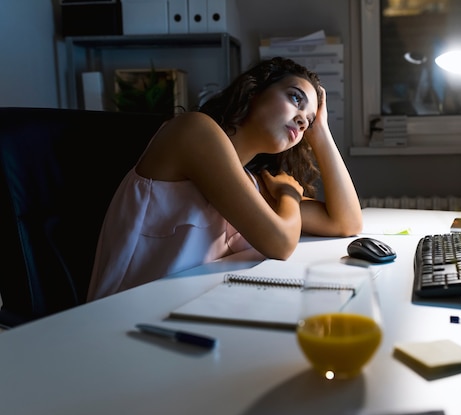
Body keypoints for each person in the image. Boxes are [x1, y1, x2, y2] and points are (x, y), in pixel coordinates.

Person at [87, 57, 363, 301]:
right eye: (295, 98)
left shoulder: (253, 182)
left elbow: (346, 223)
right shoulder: (192, 130)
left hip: (183, 316)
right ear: (255, 90)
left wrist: (321, 132)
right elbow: (280, 243)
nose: (302, 120)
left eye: (308, 120)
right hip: (120, 320)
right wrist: (289, 196)